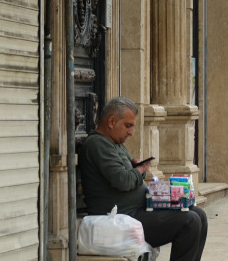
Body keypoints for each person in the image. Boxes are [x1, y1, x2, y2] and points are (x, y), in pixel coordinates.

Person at [80, 97, 208, 261]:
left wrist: (137, 169)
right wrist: (139, 169)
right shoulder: (97, 144)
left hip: (138, 210)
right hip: (121, 217)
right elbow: (123, 180)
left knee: (199, 215)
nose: (131, 132)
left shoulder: (115, 143)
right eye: (128, 126)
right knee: (190, 222)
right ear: (111, 122)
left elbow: (129, 175)